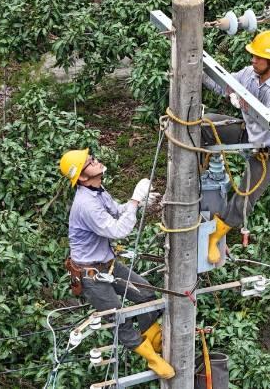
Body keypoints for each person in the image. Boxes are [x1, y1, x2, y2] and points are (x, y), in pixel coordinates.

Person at [59, 149, 174, 379]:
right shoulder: (85, 205)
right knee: (119, 318)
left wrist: (138, 203)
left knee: (147, 295)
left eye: (92, 159)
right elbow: (118, 230)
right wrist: (134, 199)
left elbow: (117, 213)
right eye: (90, 162)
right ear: (81, 177)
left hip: (108, 265)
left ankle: (151, 337)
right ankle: (152, 358)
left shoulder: (97, 191)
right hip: (91, 276)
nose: (96, 161)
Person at [201, 30, 270, 264]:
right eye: (253, 56)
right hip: (251, 134)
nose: (253, 60)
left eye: (258, 57)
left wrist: (244, 100)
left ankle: (215, 237)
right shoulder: (249, 74)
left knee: (245, 198)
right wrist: (198, 70)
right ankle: (196, 170)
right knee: (201, 125)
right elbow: (223, 85)